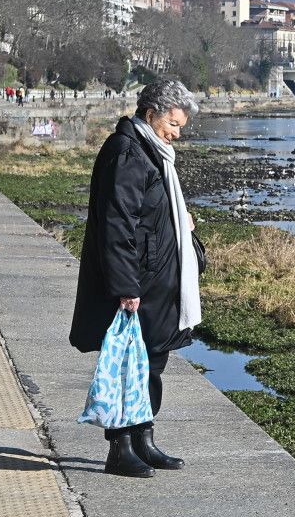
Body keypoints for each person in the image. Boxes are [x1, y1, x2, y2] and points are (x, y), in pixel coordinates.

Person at [70, 79, 202, 478]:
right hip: (137, 282)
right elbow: (117, 224)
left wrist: (179, 222)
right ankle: (120, 449)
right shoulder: (127, 151)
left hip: (157, 279)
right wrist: (126, 287)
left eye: (180, 126)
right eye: (173, 124)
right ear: (151, 115)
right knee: (129, 363)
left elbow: (148, 213)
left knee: (152, 361)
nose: (177, 133)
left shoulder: (153, 151)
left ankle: (143, 439)